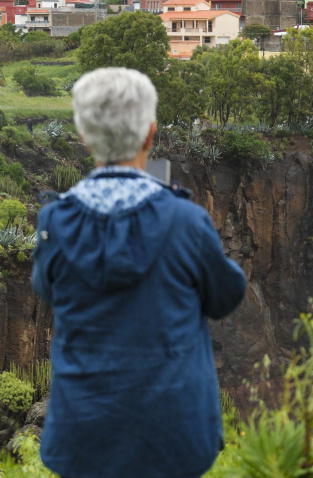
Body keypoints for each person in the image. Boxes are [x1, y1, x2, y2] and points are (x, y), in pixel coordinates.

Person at [32, 67, 247, 478]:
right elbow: (226, 295)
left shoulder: (55, 223)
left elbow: (46, 288)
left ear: (83, 136)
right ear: (150, 134)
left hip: (83, 436)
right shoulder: (185, 221)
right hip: (174, 436)